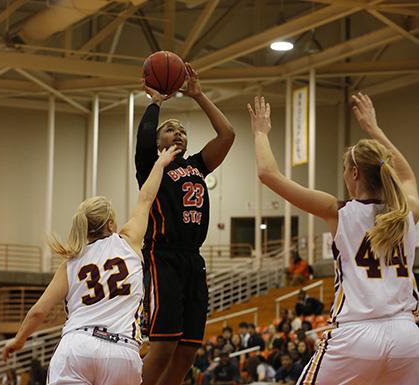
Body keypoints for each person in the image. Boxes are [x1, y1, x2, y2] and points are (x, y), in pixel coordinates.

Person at [248, 93, 419, 384]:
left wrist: (261, 133)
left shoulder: (339, 212)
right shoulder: (407, 211)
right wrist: (374, 130)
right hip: (407, 337)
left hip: (356, 336)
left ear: (354, 173)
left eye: (344, 169)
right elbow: (407, 176)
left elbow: (268, 173)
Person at [2, 147, 180, 385]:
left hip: (77, 346)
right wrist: (160, 164)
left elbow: (38, 311)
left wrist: (18, 340)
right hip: (122, 352)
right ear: (110, 224)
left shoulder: (71, 262)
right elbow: (146, 198)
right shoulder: (128, 241)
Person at [137, 62, 235, 385]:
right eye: (171, 129)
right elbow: (144, 139)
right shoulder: (152, 167)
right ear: (158, 140)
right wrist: (155, 102)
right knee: (163, 347)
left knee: (187, 353)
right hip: (162, 256)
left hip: (193, 259)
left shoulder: (197, 165)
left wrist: (199, 95)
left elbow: (228, 134)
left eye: (182, 130)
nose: (178, 132)